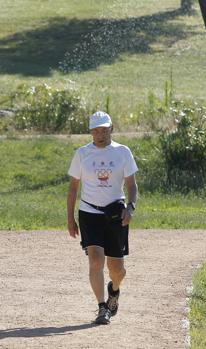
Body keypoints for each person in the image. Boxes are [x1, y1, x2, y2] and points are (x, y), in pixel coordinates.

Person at [66, 111, 138, 325]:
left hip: (116, 213)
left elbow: (132, 185)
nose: (100, 134)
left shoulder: (123, 152)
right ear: (91, 131)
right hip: (90, 212)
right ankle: (101, 307)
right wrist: (70, 219)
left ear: (111, 129)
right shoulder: (82, 154)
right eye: (96, 130)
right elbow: (72, 189)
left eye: (104, 130)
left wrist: (130, 207)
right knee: (96, 259)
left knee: (117, 270)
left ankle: (113, 290)